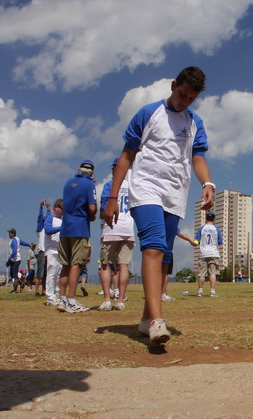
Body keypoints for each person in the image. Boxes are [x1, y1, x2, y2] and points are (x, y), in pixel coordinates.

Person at [104, 66, 214, 345]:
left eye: (190, 99)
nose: (184, 101)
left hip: (175, 194)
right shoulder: (148, 113)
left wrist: (208, 184)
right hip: (146, 188)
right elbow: (127, 155)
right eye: (182, 94)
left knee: (163, 255)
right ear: (174, 85)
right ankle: (156, 321)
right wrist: (113, 197)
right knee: (152, 247)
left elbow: (197, 157)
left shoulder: (194, 122)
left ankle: (145, 319)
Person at [57, 160, 97, 313]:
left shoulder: (68, 183)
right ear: (92, 172)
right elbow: (92, 207)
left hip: (65, 228)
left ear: (79, 170)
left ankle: (62, 299)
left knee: (65, 265)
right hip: (80, 228)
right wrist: (92, 216)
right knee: (76, 265)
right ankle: (72, 300)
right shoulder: (90, 185)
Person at [98, 157, 135, 311]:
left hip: (111, 228)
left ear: (113, 169)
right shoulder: (132, 187)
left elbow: (104, 210)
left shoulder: (109, 185)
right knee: (124, 266)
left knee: (105, 265)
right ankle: (120, 301)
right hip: (128, 229)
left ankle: (107, 300)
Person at [161, 229, 198, 302]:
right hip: (166, 250)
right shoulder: (170, 221)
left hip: (155, 249)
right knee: (164, 274)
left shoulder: (158, 221)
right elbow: (178, 232)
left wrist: (190, 239)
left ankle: (155, 294)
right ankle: (163, 294)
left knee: (157, 273)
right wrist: (190, 239)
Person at [195, 212, 222, 297]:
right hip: (214, 253)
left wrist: (194, 242)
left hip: (203, 253)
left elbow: (197, 241)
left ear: (205, 218)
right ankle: (212, 292)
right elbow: (220, 242)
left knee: (201, 274)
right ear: (214, 218)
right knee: (212, 273)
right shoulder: (217, 229)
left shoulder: (201, 228)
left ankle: (200, 291)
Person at [44, 199, 63, 306]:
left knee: (59, 274)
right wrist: (61, 228)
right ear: (56, 208)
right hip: (51, 250)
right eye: (62, 209)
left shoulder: (63, 220)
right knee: (51, 273)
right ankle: (50, 296)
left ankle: (58, 295)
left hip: (61, 250)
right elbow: (47, 230)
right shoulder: (50, 218)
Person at [6, 228, 30, 293]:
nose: (8, 234)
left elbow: (14, 250)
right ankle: (21, 283)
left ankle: (15, 290)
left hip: (16, 259)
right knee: (12, 274)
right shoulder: (17, 239)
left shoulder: (14, 240)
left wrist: (9, 258)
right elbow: (22, 243)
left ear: (13, 234)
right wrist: (29, 244)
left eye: (10, 233)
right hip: (13, 259)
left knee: (15, 275)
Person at [35, 200, 50, 296]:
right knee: (40, 273)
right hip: (41, 252)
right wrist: (41, 207)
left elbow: (49, 218)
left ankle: (44, 290)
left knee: (46, 274)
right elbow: (40, 217)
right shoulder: (40, 230)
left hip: (47, 253)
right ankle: (36, 290)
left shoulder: (48, 229)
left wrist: (48, 209)